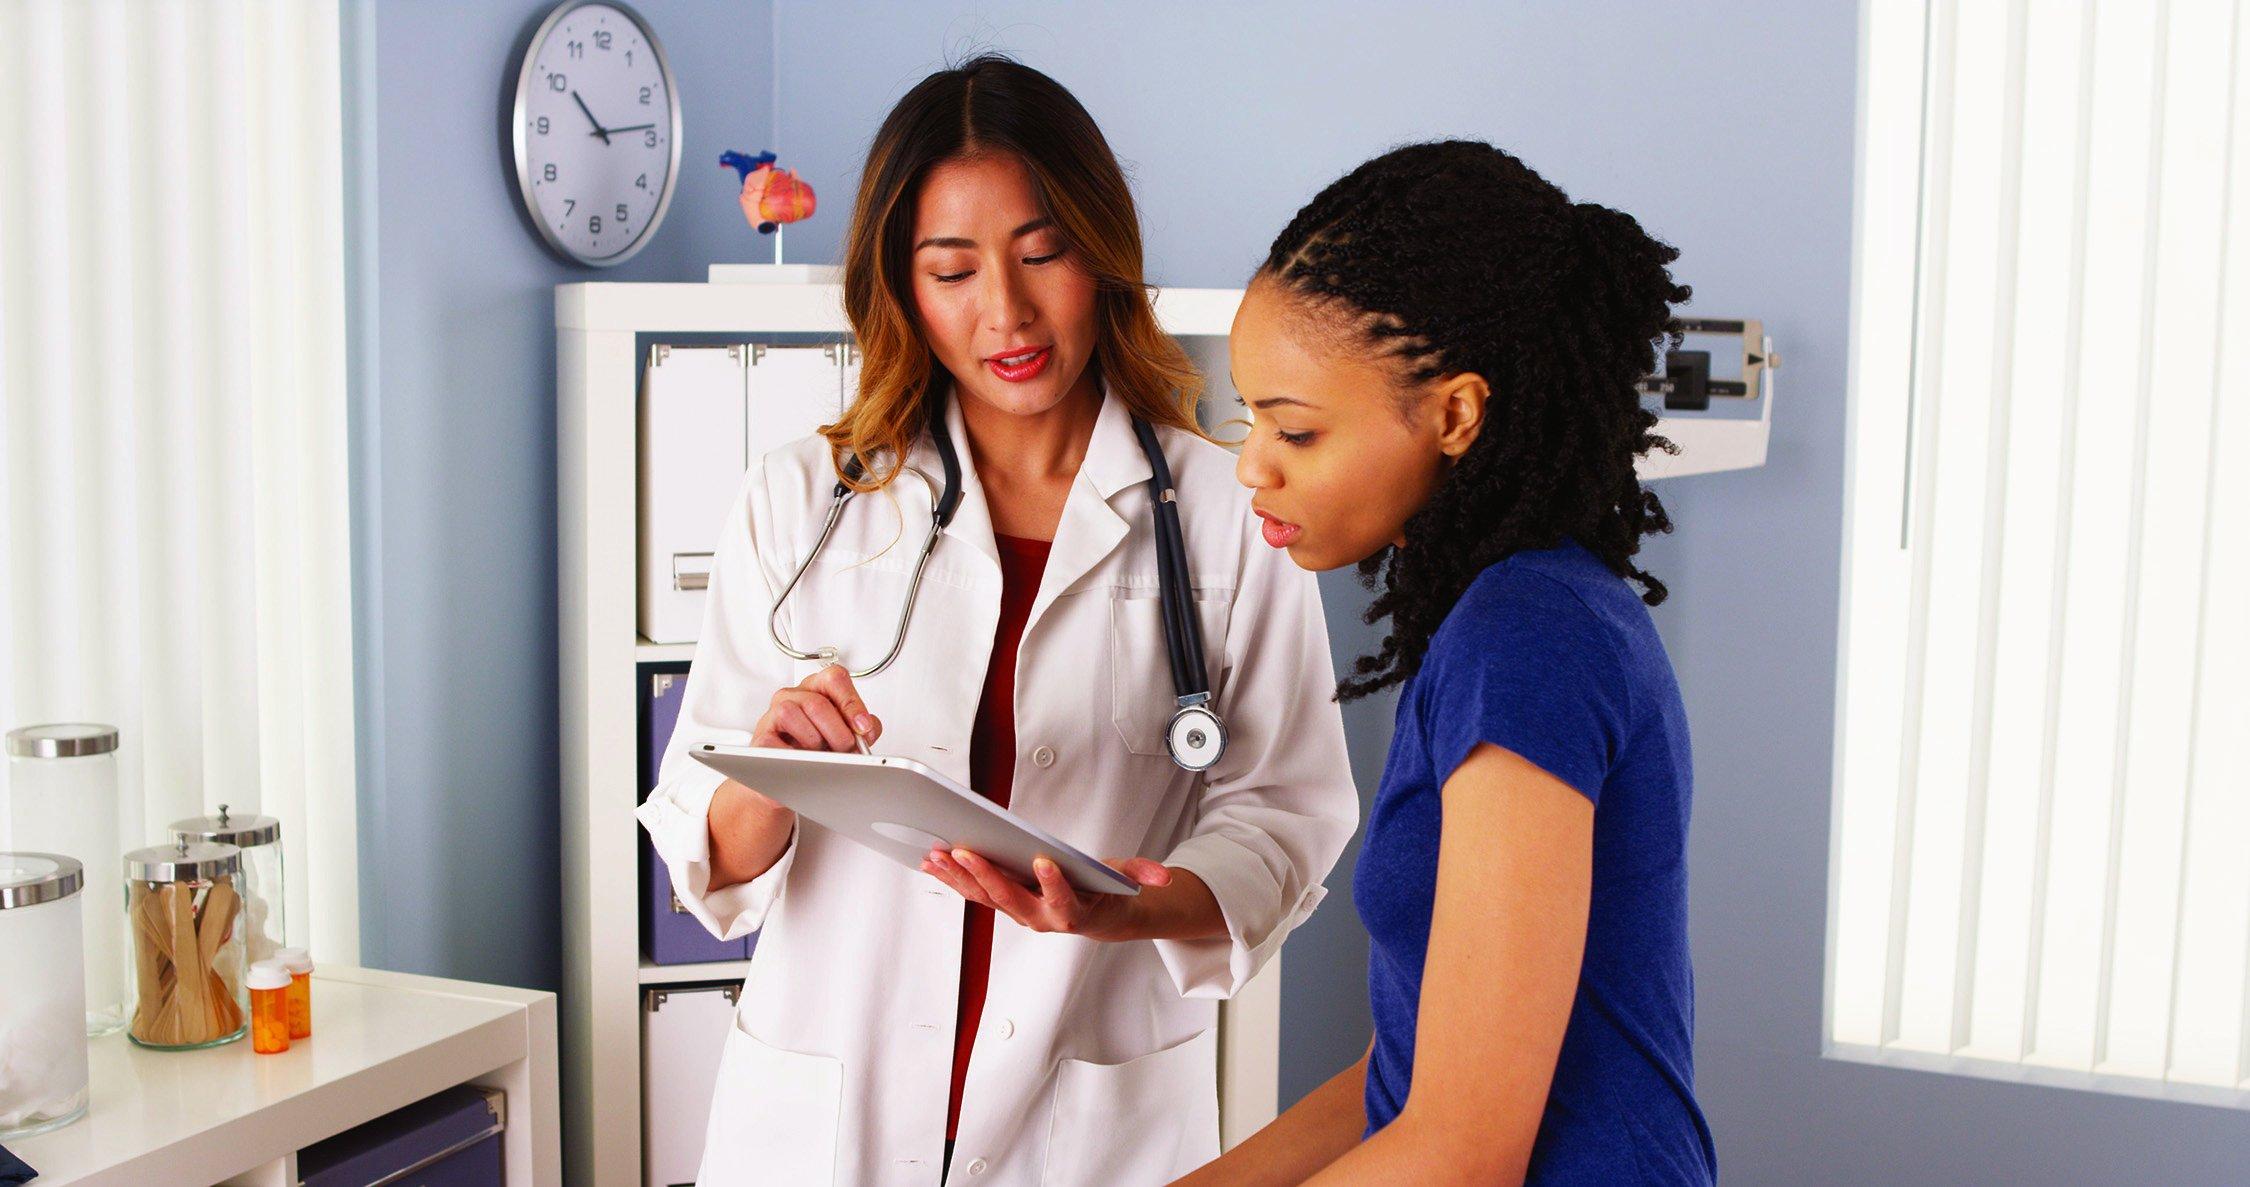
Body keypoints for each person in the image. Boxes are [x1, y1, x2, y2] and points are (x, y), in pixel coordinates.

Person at [637, 56, 1357, 1186]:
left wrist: (1134, 910)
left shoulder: (1225, 513)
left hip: (1092, 1122)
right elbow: (706, 856)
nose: (1006, 313)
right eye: (953, 269)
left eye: (1042, 253)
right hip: (829, 1122)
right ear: (902, 285)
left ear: (1101, 253)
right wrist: (769, 774)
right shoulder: (801, 502)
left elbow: (1286, 808)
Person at [1179, 141, 1717, 1185]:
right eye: (1250, 419)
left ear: (1455, 414)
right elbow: (1404, 1074)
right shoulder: (1505, 617)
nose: (1252, 465)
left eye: (1296, 430)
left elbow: (1462, 1152)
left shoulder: (1529, 633)